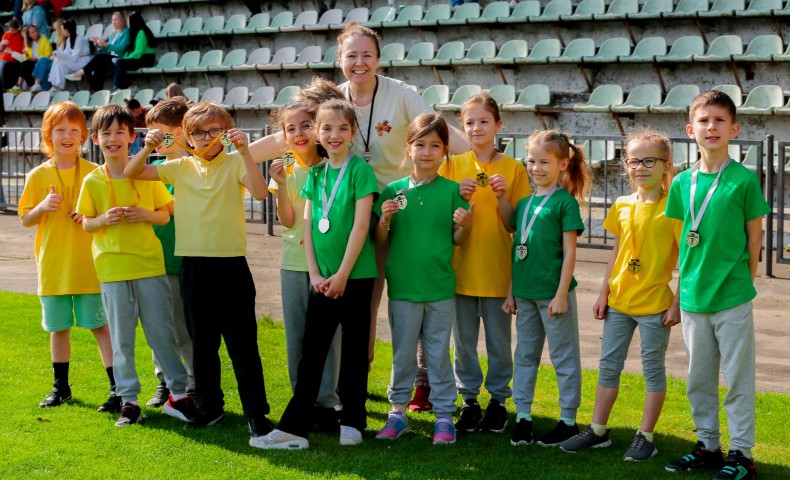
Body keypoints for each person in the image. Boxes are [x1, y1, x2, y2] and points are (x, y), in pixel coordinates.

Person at [124, 101, 272, 440]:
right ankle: (209, 406)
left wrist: (245, 152)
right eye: (199, 133)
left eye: (214, 130)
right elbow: (132, 172)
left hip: (230, 264)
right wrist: (146, 146)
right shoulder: (179, 166)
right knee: (203, 344)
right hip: (193, 264)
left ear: (226, 131)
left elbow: (261, 193)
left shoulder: (235, 161)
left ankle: (256, 414)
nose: (207, 137)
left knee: (242, 344)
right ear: (187, 137)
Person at [251, 99, 378, 450]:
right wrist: (314, 273)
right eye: (327, 128)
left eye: (342, 128)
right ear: (318, 133)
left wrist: (342, 274)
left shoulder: (360, 171)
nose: (334, 135)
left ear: (353, 132)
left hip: (355, 276)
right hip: (321, 279)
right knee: (312, 352)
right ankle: (295, 427)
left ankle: (353, 421)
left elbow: (361, 227)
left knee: (354, 352)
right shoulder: (317, 175)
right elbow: (307, 225)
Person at [663, 90, 770, 480]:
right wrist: (679, 295)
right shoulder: (681, 182)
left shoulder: (744, 180)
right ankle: (708, 446)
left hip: (732, 296)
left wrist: (745, 283)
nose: (712, 127)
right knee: (698, 379)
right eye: (704, 120)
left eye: (720, 120)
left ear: (734, 129)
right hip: (693, 298)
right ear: (690, 129)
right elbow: (684, 242)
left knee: (738, 378)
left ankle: (742, 455)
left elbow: (754, 240)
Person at [559, 129, 681, 461]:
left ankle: (646, 436)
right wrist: (604, 293)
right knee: (608, 366)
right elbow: (616, 254)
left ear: (666, 165)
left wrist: (676, 303)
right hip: (619, 303)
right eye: (633, 161)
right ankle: (598, 430)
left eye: (649, 161)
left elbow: (686, 260)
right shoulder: (622, 205)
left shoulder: (675, 208)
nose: (640, 167)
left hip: (655, 305)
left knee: (652, 370)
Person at [76, 105, 194, 427]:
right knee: (122, 341)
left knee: (162, 334)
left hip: (150, 267)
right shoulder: (92, 180)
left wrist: (145, 215)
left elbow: (165, 214)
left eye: (120, 132)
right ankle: (129, 401)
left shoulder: (146, 173)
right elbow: (86, 223)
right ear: (95, 139)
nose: (112, 138)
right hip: (112, 270)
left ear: (132, 137)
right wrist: (102, 219)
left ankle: (178, 395)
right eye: (106, 133)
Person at [373, 113, 473, 445]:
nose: (427, 152)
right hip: (403, 287)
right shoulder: (393, 190)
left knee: (438, 353)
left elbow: (457, 240)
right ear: (408, 148)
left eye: (434, 146)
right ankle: (397, 412)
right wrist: (384, 220)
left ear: (445, 151)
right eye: (420, 145)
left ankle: (444, 415)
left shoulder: (453, 191)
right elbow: (380, 239)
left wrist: (466, 225)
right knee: (402, 352)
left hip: (440, 288)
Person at [438, 93, 531, 434]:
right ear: (462, 127)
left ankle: (498, 401)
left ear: (498, 125)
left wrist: (503, 197)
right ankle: (469, 401)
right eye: (470, 122)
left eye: (484, 121)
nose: (476, 128)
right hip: (459, 271)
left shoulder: (514, 168)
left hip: (497, 271)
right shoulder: (451, 166)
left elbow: (514, 224)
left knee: (498, 344)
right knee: (463, 344)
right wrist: (457, 198)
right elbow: (441, 220)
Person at [18, 101, 118, 412]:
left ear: (84, 136)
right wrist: (42, 207)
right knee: (58, 328)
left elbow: (106, 213)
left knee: (100, 327)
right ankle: (60, 387)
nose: (67, 136)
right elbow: (25, 219)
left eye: (74, 130)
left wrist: (90, 217)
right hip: (54, 265)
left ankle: (117, 388)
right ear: (48, 135)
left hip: (91, 265)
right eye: (60, 130)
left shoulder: (95, 172)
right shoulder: (38, 175)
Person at [267, 78, 347, 433]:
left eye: (305, 126)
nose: (299, 133)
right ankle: (302, 399)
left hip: (326, 264)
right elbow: (287, 220)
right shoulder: (283, 169)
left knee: (328, 337)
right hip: (292, 264)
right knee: (297, 335)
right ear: (283, 135)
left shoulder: (332, 166)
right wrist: (283, 185)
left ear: (317, 129)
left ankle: (327, 402)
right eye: (291, 128)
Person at [500, 129, 588, 447]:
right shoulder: (524, 203)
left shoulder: (564, 203)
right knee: (525, 355)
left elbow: (570, 253)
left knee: (563, 357)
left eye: (544, 162)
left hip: (553, 296)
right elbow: (518, 249)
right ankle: (523, 417)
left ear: (563, 164)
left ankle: (568, 421)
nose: (536, 168)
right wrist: (511, 291)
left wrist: (562, 294)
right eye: (531, 161)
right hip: (524, 294)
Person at [135, 97, 195, 408]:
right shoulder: (152, 169)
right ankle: (166, 382)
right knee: (158, 330)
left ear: (182, 133)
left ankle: (193, 383)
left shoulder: (193, 168)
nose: (155, 140)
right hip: (152, 263)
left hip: (182, 262)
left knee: (184, 330)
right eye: (151, 134)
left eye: (162, 134)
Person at [66, 11, 129, 92]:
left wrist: (106, 44)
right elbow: (108, 50)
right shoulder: (113, 34)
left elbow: (122, 48)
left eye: (116, 20)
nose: (113, 22)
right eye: (112, 20)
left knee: (99, 58)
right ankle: (96, 91)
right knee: (98, 63)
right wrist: (99, 45)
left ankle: (81, 73)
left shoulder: (126, 32)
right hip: (111, 59)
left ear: (122, 20)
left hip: (120, 59)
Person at [112, 11, 155, 94]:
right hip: (139, 58)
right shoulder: (134, 32)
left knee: (120, 63)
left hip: (146, 59)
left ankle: (117, 88)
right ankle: (130, 85)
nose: (128, 23)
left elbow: (138, 52)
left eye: (129, 21)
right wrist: (124, 58)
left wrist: (125, 59)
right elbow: (130, 50)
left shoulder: (141, 32)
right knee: (115, 64)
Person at [48, 19, 91, 91]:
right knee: (59, 63)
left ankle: (57, 86)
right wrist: (58, 55)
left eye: (62, 29)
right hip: (75, 62)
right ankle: (57, 86)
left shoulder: (79, 40)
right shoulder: (69, 40)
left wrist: (60, 55)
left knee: (58, 59)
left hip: (82, 63)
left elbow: (74, 57)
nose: (61, 31)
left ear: (67, 30)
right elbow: (66, 53)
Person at [10, 23, 48, 93]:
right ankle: (20, 86)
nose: (35, 33)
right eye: (32, 32)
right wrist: (27, 54)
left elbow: (48, 54)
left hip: (42, 61)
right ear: (29, 35)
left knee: (26, 64)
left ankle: (20, 86)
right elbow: (26, 57)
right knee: (25, 63)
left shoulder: (44, 39)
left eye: (36, 31)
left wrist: (37, 58)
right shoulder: (29, 43)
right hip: (32, 61)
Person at [0, 19, 24, 90]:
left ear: (17, 28)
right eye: (10, 30)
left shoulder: (20, 34)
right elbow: (1, 48)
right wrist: (2, 43)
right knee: (1, 68)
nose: (12, 32)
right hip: (6, 57)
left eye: (13, 30)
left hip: (16, 57)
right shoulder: (6, 34)